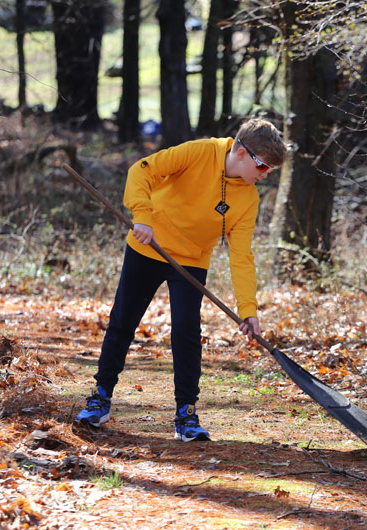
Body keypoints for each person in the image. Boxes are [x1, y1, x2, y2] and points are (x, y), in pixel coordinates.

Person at [76, 118, 287, 442]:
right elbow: (141, 171)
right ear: (241, 152)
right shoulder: (200, 152)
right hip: (148, 245)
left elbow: (241, 256)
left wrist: (248, 309)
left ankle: (186, 413)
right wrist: (143, 218)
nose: (266, 175)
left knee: (187, 332)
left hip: (189, 262)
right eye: (263, 166)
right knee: (123, 320)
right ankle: (100, 397)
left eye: (271, 170)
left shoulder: (249, 199)